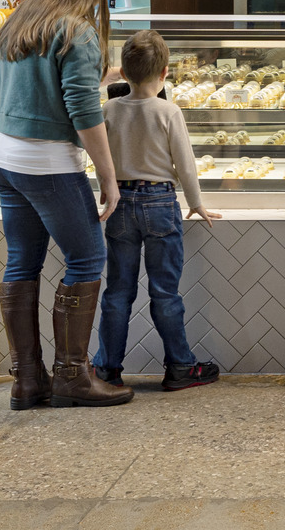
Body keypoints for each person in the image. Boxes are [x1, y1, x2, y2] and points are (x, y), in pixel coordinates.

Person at [0, 0, 130, 410]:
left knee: (22, 263)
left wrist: (106, 75)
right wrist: (108, 177)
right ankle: (72, 376)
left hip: (4, 159)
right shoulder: (78, 31)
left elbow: (45, 85)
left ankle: (27, 380)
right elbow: (83, 112)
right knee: (87, 259)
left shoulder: (21, 22)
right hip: (47, 164)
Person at [91, 30, 221, 392]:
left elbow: (101, 158)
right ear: (165, 73)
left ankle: (107, 369)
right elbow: (186, 164)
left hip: (121, 203)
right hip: (161, 203)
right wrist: (196, 203)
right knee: (165, 291)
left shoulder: (108, 110)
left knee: (118, 291)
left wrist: (106, 188)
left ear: (123, 73)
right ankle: (179, 366)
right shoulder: (169, 111)